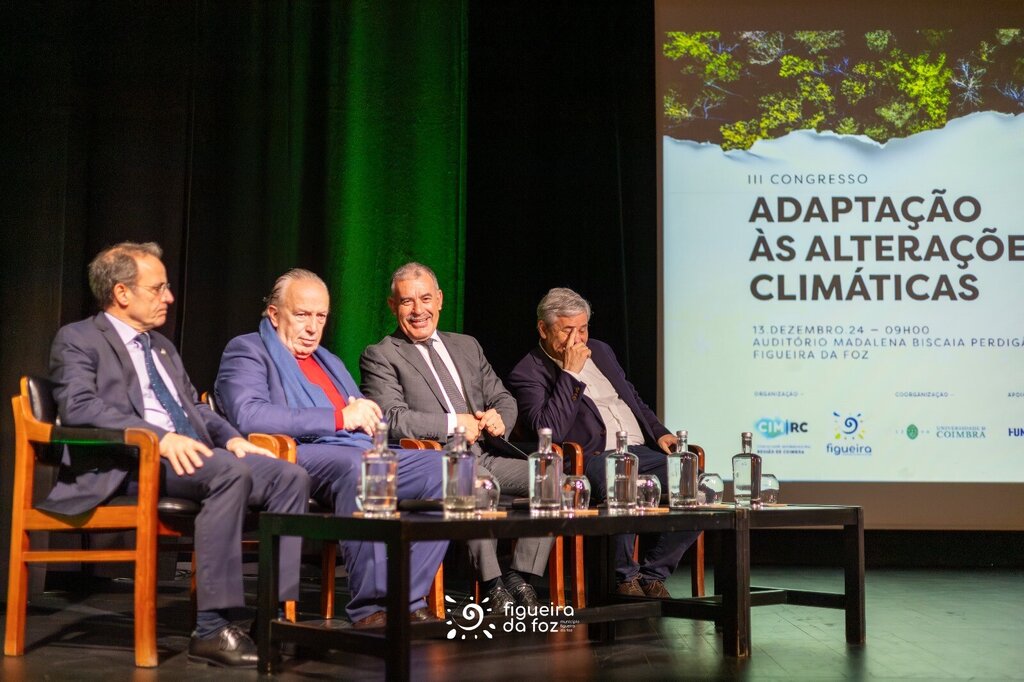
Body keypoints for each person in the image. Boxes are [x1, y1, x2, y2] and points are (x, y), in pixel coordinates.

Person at [43, 242, 310, 668]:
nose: (169, 297)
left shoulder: (162, 347)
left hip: (193, 456)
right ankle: (211, 628)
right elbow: (80, 408)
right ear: (122, 292)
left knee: (289, 476)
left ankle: (275, 618)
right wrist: (159, 438)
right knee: (228, 474)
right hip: (128, 463)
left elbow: (195, 407)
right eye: (158, 288)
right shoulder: (78, 339)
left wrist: (232, 436)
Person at [215, 269, 448, 628]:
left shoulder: (329, 360)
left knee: (444, 468)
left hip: (356, 450)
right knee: (363, 467)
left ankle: (403, 595)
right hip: (295, 453)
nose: (312, 327)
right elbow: (249, 416)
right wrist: (340, 418)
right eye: (302, 314)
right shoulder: (247, 350)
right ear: (275, 315)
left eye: (320, 316)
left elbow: (356, 414)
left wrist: (368, 417)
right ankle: (370, 607)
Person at [360, 262, 551, 610]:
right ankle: (492, 584)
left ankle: (520, 576)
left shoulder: (466, 346)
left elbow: (504, 398)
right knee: (474, 485)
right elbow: (392, 419)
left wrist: (498, 418)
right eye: (407, 302)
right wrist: (453, 424)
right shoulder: (382, 355)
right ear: (392, 306)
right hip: (441, 459)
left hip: (487, 453)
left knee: (552, 478)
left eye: (426, 298)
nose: (419, 310)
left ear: (441, 300)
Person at [506, 287, 697, 597]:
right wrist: (570, 372)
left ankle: (652, 574)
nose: (576, 340)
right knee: (625, 480)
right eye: (567, 330)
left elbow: (632, 399)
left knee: (696, 485)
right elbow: (548, 430)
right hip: (592, 457)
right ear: (543, 328)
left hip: (639, 449)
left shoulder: (602, 351)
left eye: (582, 329)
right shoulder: (528, 371)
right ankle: (624, 578)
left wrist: (660, 431)